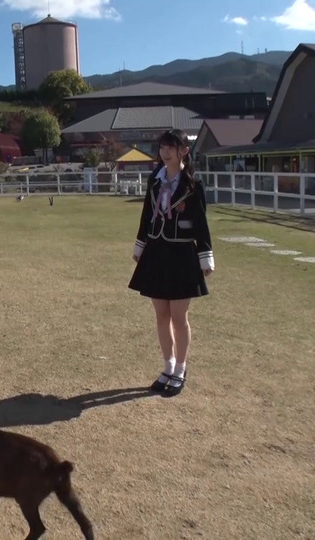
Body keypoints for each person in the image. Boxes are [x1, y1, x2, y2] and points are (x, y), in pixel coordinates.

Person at [127, 129, 214, 397]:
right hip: (156, 252)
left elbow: (201, 222)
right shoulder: (155, 179)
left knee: (179, 317)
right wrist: (140, 246)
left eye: (170, 148)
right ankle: (168, 366)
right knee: (161, 316)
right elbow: (146, 215)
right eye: (162, 147)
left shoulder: (193, 184)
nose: (164, 152)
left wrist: (205, 256)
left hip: (182, 255)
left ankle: (181, 369)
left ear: (184, 151)